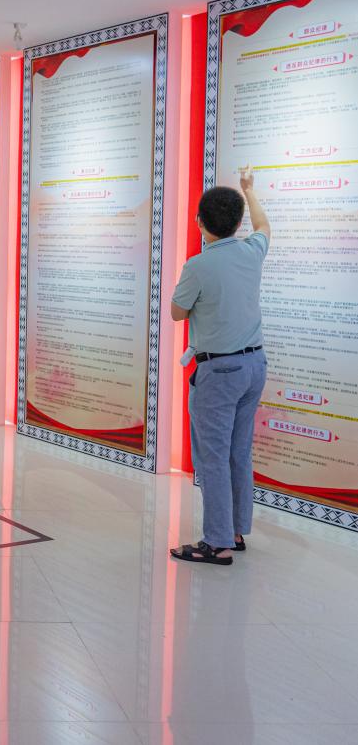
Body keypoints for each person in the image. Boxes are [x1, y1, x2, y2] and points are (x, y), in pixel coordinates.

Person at [170, 165, 270, 566]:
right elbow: (264, 226)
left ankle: (216, 542)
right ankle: (236, 530)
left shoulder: (198, 266)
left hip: (220, 372)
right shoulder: (252, 251)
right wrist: (249, 190)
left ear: (199, 222)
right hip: (254, 366)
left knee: (212, 456)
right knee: (238, 452)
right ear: (238, 223)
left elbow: (177, 312)